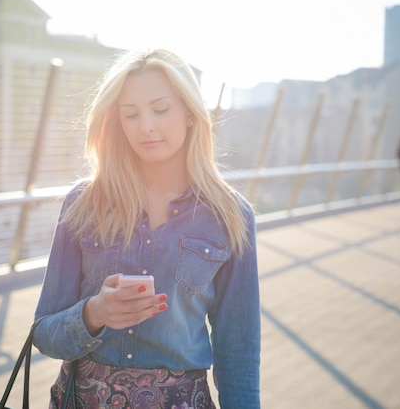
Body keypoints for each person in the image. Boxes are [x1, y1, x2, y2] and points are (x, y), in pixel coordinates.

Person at [33, 48, 261, 408]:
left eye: (160, 109)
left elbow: (239, 354)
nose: (146, 126)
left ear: (189, 113)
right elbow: (44, 334)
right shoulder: (83, 204)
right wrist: (94, 313)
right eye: (131, 114)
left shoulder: (231, 215)